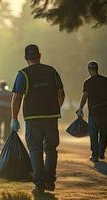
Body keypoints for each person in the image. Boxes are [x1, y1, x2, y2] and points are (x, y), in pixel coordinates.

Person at [11, 44, 65, 194]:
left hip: (33, 118)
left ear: (25, 58)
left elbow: (17, 99)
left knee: (35, 149)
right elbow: (61, 93)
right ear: (39, 56)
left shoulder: (23, 74)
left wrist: (14, 118)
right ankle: (50, 181)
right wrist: (56, 108)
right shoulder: (51, 71)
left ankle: (40, 184)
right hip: (51, 117)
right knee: (51, 149)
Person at [76, 61, 107, 162]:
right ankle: (101, 153)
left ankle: (95, 155)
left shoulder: (88, 82)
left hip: (94, 113)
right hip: (105, 112)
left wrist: (80, 108)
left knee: (93, 134)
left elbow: (85, 96)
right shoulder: (106, 81)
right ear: (97, 68)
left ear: (89, 70)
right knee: (104, 134)